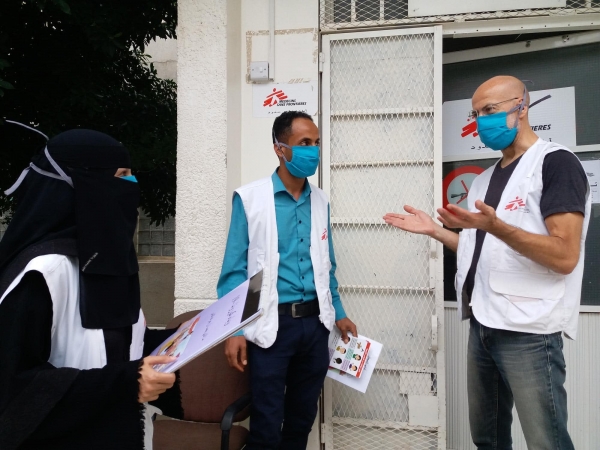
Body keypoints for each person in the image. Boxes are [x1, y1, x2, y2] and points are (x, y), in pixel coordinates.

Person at [384, 76, 589, 450]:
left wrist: (498, 226)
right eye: (476, 114)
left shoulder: (555, 163)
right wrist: (435, 231)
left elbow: (564, 256)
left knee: (547, 441)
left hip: (529, 332)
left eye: (490, 110)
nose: (481, 121)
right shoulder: (484, 180)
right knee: (487, 438)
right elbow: (479, 250)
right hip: (483, 325)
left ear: (522, 107)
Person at [0, 126, 181, 450]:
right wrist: (126, 384)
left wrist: (187, 337)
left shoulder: (105, 263)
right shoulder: (44, 273)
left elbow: (117, 344)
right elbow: (15, 389)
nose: (132, 185)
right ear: (86, 185)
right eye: (122, 175)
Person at [217, 111, 358, 450]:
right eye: (304, 143)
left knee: (301, 419)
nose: (313, 150)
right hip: (272, 326)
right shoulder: (250, 199)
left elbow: (327, 265)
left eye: (317, 143)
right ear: (280, 148)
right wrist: (234, 331)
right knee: (266, 423)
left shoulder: (320, 200)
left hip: (315, 325)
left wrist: (338, 312)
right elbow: (234, 272)